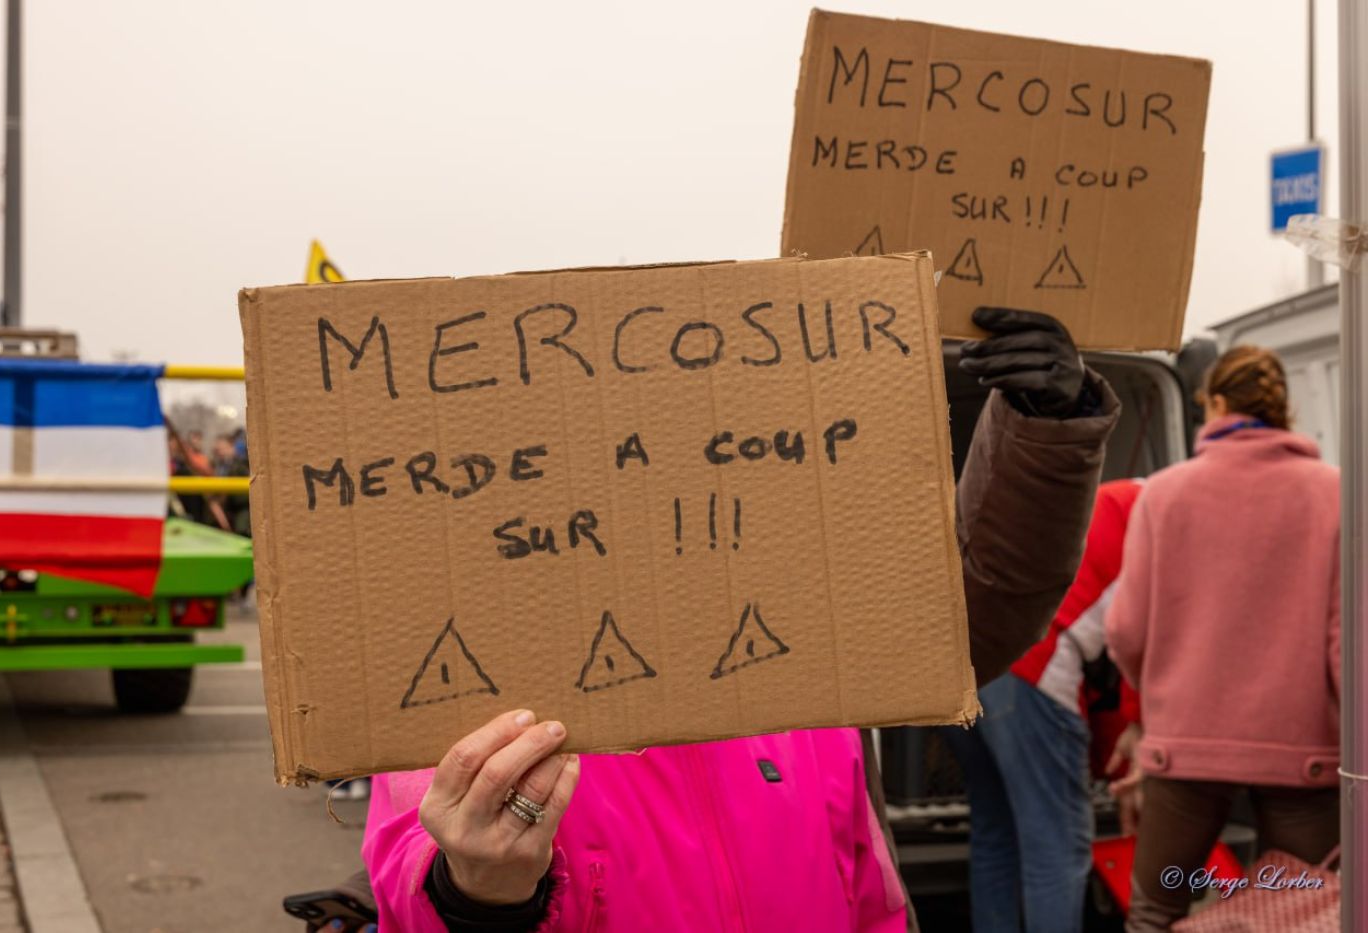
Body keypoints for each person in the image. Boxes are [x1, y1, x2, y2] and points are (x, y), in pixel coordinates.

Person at [359, 308, 1121, 931]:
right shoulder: (483, 686)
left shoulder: (794, 649)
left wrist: (1042, 432)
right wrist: (481, 894)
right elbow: (409, 885)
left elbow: (970, 618)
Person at [1105, 345, 1340, 931]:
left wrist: (1159, 698)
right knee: (1303, 915)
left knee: (1156, 912)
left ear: (1214, 403)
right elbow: (1346, 642)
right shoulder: (1336, 494)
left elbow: (1126, 630)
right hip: (1304, 752)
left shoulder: (1163, 494)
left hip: (1184, 748)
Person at [944, 478, 1142, 933]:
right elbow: (1145, 636)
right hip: (1030, 664)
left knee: (998, 833)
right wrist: (1140, 725)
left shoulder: (1115, 499)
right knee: (1056, 846)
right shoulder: (1174, 516)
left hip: (959, 662)